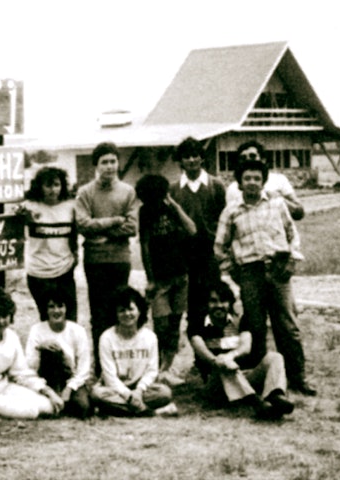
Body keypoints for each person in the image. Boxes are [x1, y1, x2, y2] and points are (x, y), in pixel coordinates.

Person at [214, 157, 316, 396]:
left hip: (278, 269)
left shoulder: (277, 204)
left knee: (287, 326)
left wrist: (291, 260)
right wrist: (234, 269)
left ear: (263, 181)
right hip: (249, 273)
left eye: (256, 178)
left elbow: (293, 234)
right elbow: (219, 246)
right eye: (247, 178)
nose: (251, 182)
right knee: (256, 328)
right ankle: (262, 378)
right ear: (239, 182)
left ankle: (297, 376)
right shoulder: (231, 211)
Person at [188, 278, 295, 420]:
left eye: (223, 301)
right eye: (213, 301)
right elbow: (200, 349)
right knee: (223, 365)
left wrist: (230, 356)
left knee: (275, 357)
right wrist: (219, 360)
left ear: (230, 303)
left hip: (242, 375)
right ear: (206, 304)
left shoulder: (240, 321)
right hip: (215, 382)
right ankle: (256, 403)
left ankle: (275, 395)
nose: (219, 305)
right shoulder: (197, 325)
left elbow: (245, 347)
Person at [75, 141, 138, 375]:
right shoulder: (85, 192)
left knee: (120, 312)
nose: (110, 166)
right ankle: (102, 368)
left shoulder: (128, 191)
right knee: (98, 314)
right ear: (96, 165)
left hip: (120, 259)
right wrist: (113, 222)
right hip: (95, 261)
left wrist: (100, 232)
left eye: (113, 161)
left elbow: (132, 227)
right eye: (105, 162)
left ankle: (122, 366)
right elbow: (83, 224)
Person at [0, 288, 65, 422]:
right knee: (31, 411)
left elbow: (21, 373)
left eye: (4, 316)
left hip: (3, 387)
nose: (1, 321)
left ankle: (6, 406)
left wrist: (48, 391)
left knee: (48, 406)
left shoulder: (12, 337)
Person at [135, 174, 197, 387]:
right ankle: (157, 367)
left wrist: (175, 206)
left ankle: (166, 369)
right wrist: (150, 278)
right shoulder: (144, 212)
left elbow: (192, 229)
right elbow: (144, 246)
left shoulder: (173, 209)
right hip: (160, 279)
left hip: (181, 275)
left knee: (174, 324)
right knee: (160, 323)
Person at [168, 137, 226, 352]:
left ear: (202, 158)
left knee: (213, 302)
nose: (192, 160)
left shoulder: (216, 185)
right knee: (191, 306)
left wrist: (222, 253)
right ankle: (199, 356)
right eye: (187, 156)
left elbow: (224, 220)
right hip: (184, 256)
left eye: (195, 155)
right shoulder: (174, 190)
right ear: (180, 161)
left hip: (210, 255)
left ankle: (217, 351)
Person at [91, 286, 177, 417]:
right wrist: (128, 396)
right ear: (115, 313)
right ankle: (149, 412)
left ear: (140, 311)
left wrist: (139, 391)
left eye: (131, 309)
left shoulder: (150, 337)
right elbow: (109, 376)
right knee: (96, 395)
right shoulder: (106, 338)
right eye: (122, 310)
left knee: (165, 393)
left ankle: (117, 410)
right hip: (116, 390)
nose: (127, 314)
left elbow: (152, 370)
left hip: (141, 390)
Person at [15, 166, 78, 323]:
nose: (53, 190)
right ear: (40, 186)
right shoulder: (29, 206)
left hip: (64, 271)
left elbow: (75, 234)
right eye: (48, 185)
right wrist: (18, 214)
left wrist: (75, 257)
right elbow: (14, 227)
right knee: (47, 320)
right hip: (38, 273)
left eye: (56, 185)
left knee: (70, 319)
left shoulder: (71, 206)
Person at [24, 285, 93, 419]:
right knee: (51, 350)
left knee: (83, 407)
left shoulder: (77, 331)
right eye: (51, 307)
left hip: (70, 378)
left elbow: (84, 368)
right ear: (45, 309)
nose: (56, 311)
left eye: (60, 306)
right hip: (47, 377)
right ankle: (54, 397)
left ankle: (65, 399)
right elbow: (29, 365)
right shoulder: (37, 330)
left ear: (66, 308)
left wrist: (69, 388)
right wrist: (40, 347)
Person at [225, 140, 305, 221]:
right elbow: (230, 218)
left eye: (252, 156)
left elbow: (299, 213)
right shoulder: (233, 188)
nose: (248, 160)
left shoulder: (279, 180)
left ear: (263, 159)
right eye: (243, 158)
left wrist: (280, 199)